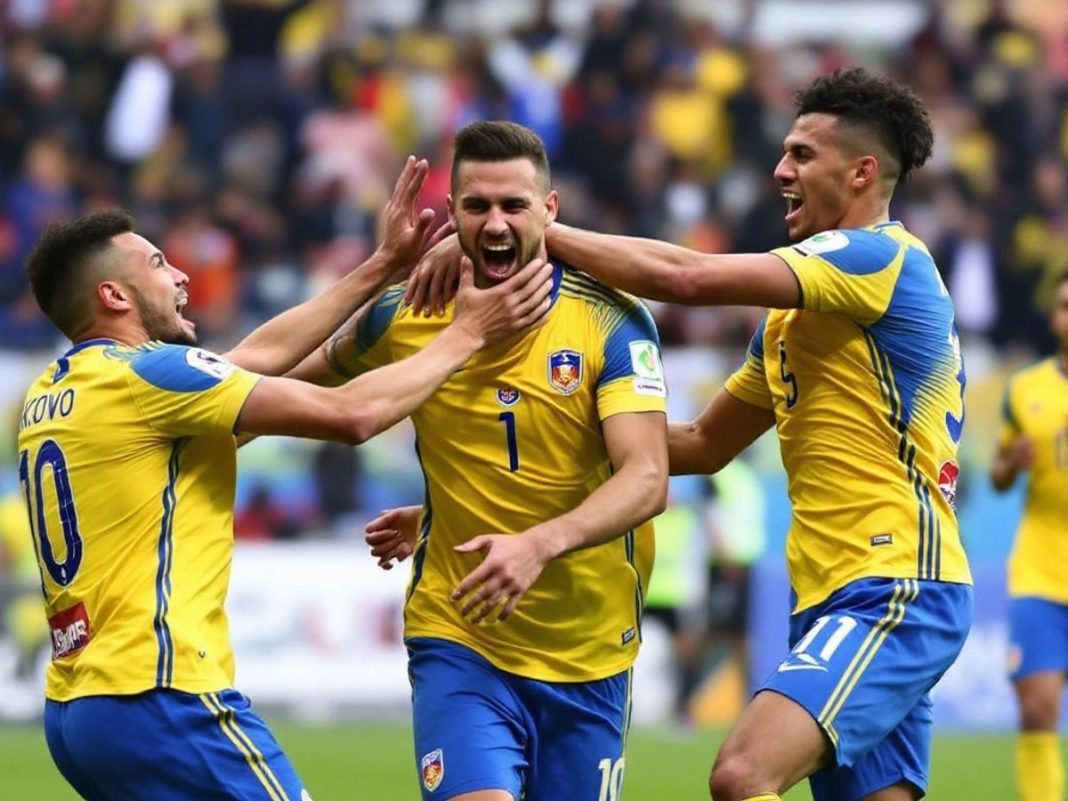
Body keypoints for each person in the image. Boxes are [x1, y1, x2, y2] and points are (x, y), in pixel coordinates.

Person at [411, 68, 973, 801]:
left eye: (803, 154)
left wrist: (532, 234)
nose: (780, 170)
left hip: (895, 585)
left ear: (862, 172)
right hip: (832, 592)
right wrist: (489, 475)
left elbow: (686, 277)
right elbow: (702, 443)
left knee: (742, 774)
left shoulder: (879, 257)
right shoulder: (793, 323)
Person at [17, 158, 552, 800]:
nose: (181, 274)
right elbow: (356, 415)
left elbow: (258, 358)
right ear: (115, 297)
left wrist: (383, 264)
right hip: (159, 692)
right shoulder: (148, 375)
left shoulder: (56, 393)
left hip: (78, 708)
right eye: (159, 265)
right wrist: (467, 332)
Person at [297, 120, 669, 801]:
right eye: (476, 206)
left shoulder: (611, 320)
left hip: (589, 657)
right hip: (461, 637)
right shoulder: (409, 312)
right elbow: (289, 377)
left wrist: (537, 544)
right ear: (453, 214)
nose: (495, 224)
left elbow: (646, 478)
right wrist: (191, 419)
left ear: (549, 213)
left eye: (514, 206)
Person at [991, 273, 1068, 801]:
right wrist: (1009, 464)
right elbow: (997, 474)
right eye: (1065, 306)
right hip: (1041, 568)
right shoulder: (1025, 389)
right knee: (1038, 707)